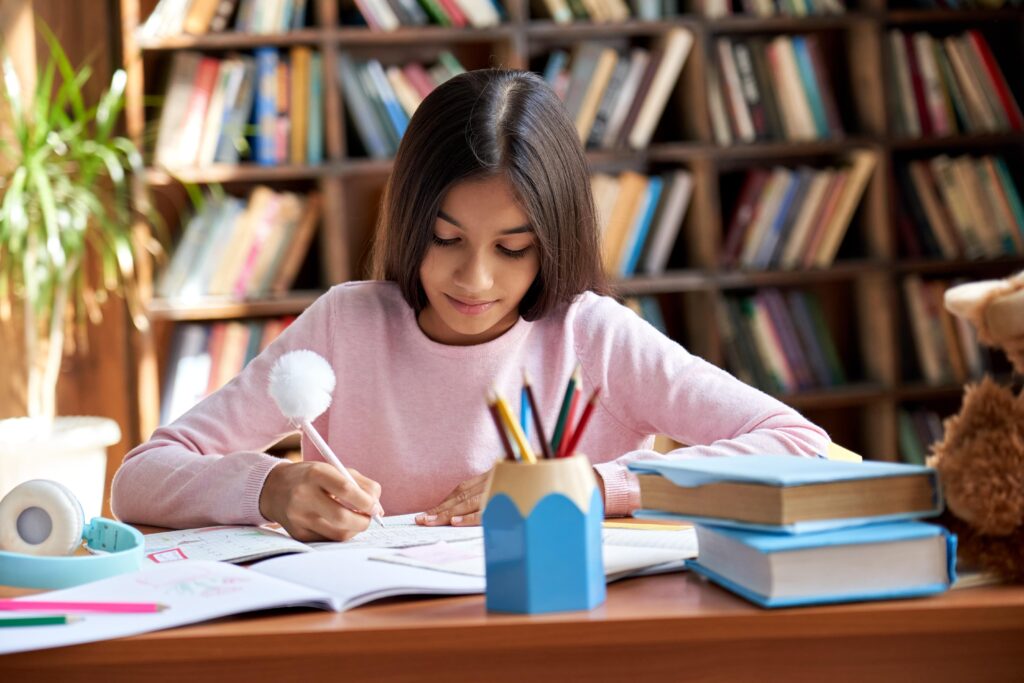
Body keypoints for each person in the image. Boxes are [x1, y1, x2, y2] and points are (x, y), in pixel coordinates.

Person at [111, 69, 829, 542]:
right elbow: (139, 478)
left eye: (513, 248)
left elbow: (798, 443)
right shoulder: (346, 323)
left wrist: (578, 481)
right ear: (409, 218)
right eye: (445, 238)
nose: (474, 278)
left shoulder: (590, 335)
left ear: (552, 241)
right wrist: (269, 486)